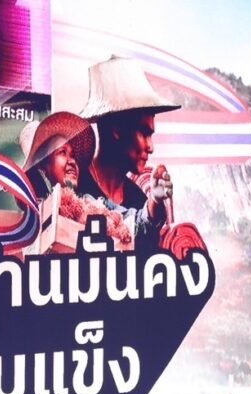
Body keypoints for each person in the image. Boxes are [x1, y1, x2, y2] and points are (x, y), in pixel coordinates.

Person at [75, 56, 179, 251]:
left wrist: (153, 205)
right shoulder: (74, 183)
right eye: (144, 133)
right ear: (117, 128)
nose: (151, 147)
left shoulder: (139, 200)